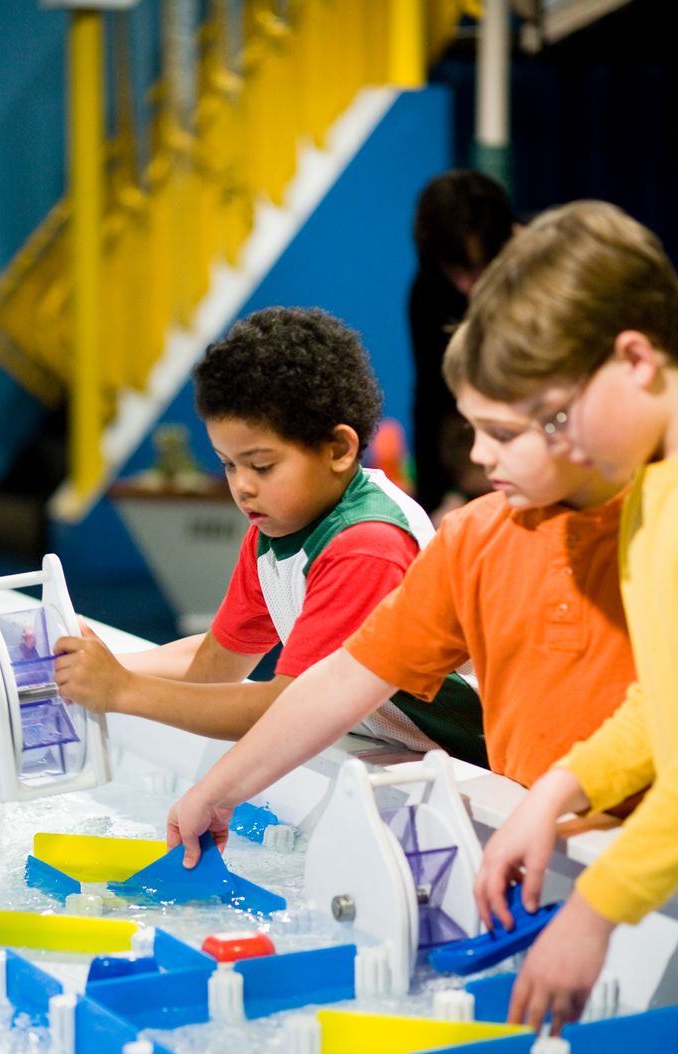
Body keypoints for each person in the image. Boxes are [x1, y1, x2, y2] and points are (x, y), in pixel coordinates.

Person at [164, 318, 638, 870]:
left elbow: (654, 725)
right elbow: (346, 678)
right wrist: (219, 789)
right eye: (473, 428)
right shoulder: (471, 536)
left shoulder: (651, 534)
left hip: (626, 851)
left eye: (502, 433)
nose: (479, 455)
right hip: (525, 827)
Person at [54, 306, 484, 758]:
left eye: (262, 466)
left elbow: (292, 712)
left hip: (493, 763)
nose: (242, 485)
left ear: (338, 448)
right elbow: (213, 669)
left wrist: (124, 691)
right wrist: (103, 667)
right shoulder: (275, 528)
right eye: (228, 464)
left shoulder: (368, 545)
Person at [449, 199, 678, 1035]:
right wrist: (554, 791)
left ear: (637, 358)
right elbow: (666, 702)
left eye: (555, 416)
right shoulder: (649, 490)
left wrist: (595, 912)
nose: (560, 446)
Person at [409, 169, 517, 522]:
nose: (471, 287)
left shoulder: (544, 273)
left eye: (482, 268)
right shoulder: (428, 292)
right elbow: (431, 400)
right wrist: (433, 503)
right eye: (458, 273)